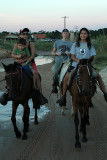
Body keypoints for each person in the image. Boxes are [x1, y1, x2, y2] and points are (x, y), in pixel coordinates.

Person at [57, 27, 107, 106]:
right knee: (66, 77)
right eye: (81, 33)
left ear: (87, 35)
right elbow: (72, 56)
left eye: (85, 33)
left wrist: (88, 60)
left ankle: (105, 93)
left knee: (98, 75)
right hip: (75, 65)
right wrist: (78, 61)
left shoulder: (90, 45)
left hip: (87, 65)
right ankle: (63, 97)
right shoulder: (75, 44)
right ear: (79, 35)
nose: (83, 35)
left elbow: (92, 56)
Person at [0, 28, 48, 105]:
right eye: (23, 34)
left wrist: (26, 62)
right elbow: (12, 55)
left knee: (36, 74)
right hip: (17, 63)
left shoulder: (30, 44)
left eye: (26, 34)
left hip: (29, 62)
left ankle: (40, 95)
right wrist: (17, 56)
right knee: (10, 75)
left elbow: (32, 55)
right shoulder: (17, 44)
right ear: (20, 35)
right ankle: (7, 92)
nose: (25, 35)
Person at [51, 29, 72, 93]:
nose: (65, 34)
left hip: (67, 61)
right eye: (64, 33)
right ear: (62, 34)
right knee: (55, 72)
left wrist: (69, 53)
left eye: (66, 33)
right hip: (59, 61)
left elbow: (73, 54)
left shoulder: (71, 44)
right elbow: (52, 53)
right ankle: (55, 85)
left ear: (68, 34)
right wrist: (56, 54)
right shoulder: (57, 42)